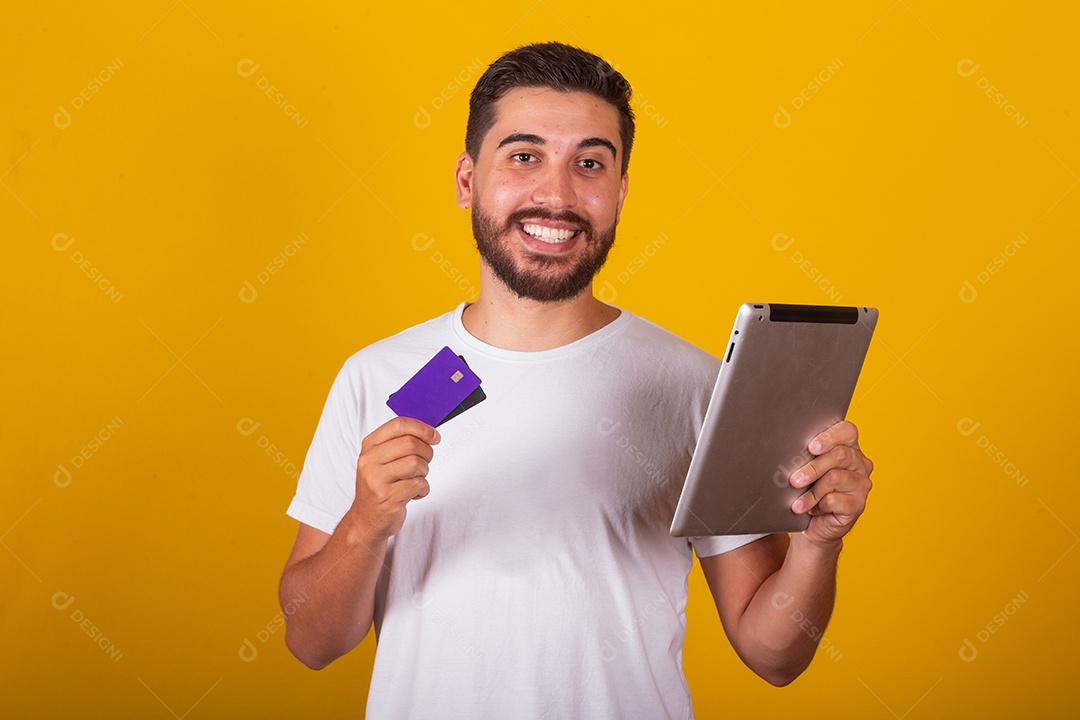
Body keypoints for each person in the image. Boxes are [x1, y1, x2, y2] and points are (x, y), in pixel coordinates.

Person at [279, 41, 873, 719]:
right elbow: (311, 641)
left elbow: (774, 654)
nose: (556, 195)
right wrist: (364, 524)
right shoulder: (375, 377)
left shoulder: (697, 387)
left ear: (619, 193)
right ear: (468, 180)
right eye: (524, 156)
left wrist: (821, 545)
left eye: (589, 164)